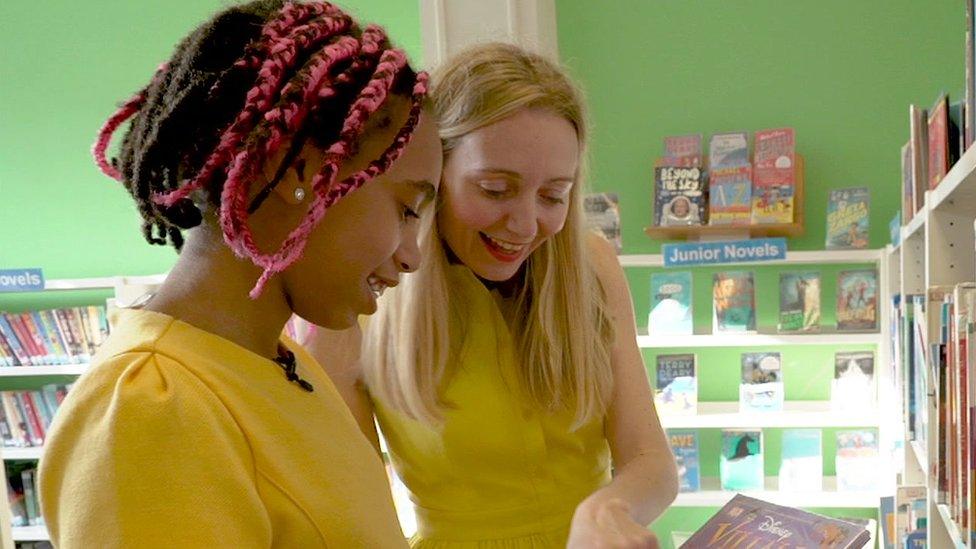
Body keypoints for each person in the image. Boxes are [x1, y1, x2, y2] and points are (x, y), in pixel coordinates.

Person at [38, 1, 441, 547]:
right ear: (297, 170)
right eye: (407, 209)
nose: (413, 254)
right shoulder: (152, 408)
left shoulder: (280, 363)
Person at [305, 42, 677, 548]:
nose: (525, 225)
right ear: (434, 172)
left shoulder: (593, 269)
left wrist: (607, 509)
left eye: (553, 196)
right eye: (495, 190)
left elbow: (650, 462)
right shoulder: (354, 297)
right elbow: (353, 504)